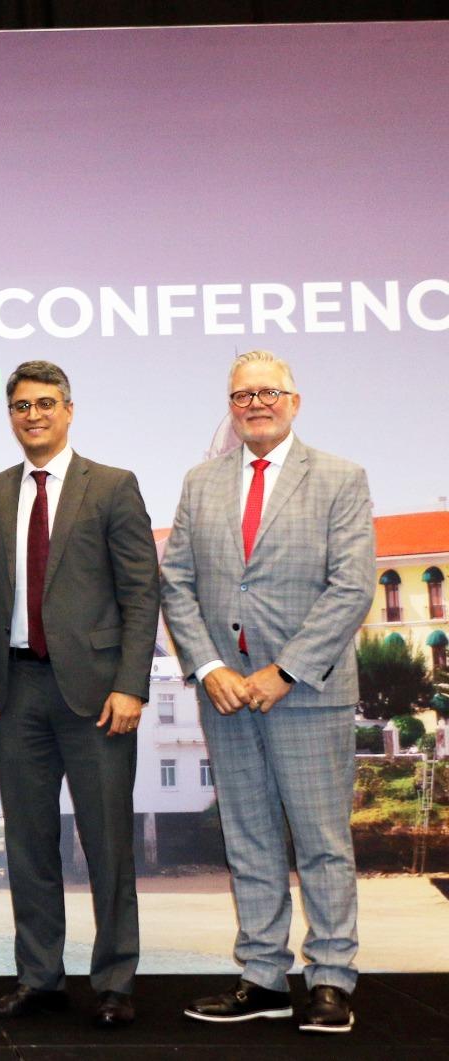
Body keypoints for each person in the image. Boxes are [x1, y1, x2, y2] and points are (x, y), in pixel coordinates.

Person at [160, 350, 374, 1034]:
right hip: (226, 695)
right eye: (242, 395)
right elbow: (176, 584)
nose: (255, 404)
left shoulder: (340, 477)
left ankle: (331, 979)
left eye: (267, 393)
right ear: (230, 407)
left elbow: (352, 587)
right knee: (249, 840)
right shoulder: (200, 483)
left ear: (294, 400)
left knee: (321, 843)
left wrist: (284, 671)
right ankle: (262, 977)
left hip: (306, 692)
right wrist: (209, 667)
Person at [0, 361, 159, 1028]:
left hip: (99, 696)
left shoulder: (113, 485)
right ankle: (40, 978)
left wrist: (131, 685)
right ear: (10, 416)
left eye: (46, 403)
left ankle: (115, 982)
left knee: (108, 845)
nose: (34, 415)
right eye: (21, 405)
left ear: (69, 410)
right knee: (28, 843)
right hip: (16, 690)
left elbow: (142, 594)